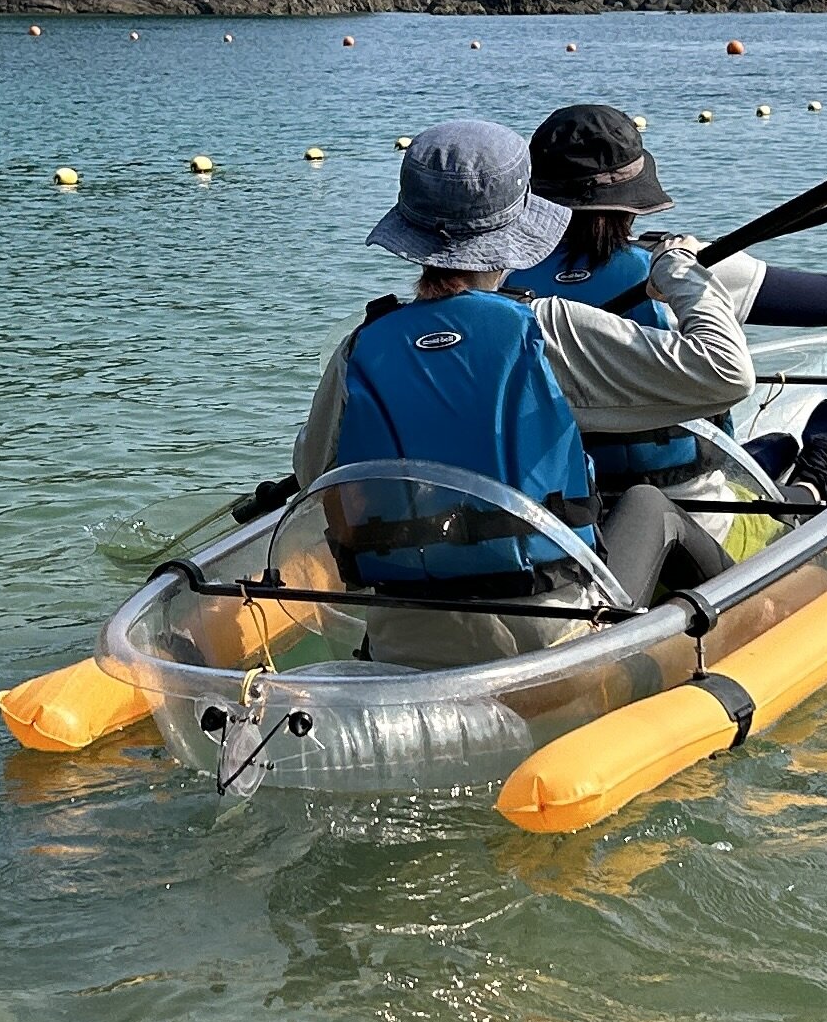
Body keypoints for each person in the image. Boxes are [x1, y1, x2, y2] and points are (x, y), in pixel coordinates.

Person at [285, 119, 753, 664]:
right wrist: (680, 270)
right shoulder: (546, 327)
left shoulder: (359, 347)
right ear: (519, 228)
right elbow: (727, 372)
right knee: (648, 504)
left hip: (406, 632)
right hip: (553, 635)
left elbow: (314, 475)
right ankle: (755, 615)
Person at [506, 103, 827, 504]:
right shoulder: (677, 267)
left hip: (575, 504)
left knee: (775, 445)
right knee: (807, 448)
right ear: (632, 199)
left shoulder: (503, 285)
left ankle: (776, 458)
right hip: (693, 507)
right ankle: (810, 488)